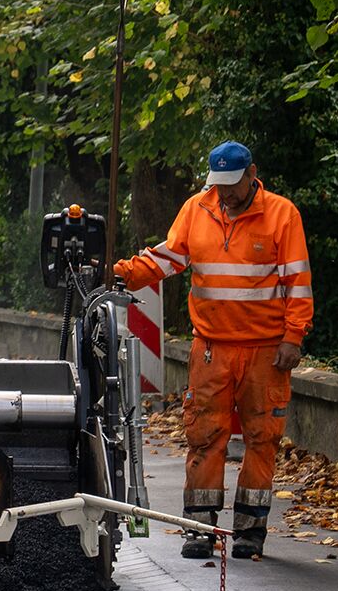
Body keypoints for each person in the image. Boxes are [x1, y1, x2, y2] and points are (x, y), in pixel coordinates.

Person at [112, 141, 313, 561]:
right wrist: (124, 274)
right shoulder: (197, 209)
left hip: (264, 351)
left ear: (252, 174)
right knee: (204, 436)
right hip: (212, 349)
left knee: (262, 439)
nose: (225, 194)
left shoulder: (281, 215)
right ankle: (200, 528)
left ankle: (249, 531)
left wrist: (293, 337)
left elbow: (298, 282)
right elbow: (169, 258)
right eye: (218, 185)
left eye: (233, 185)